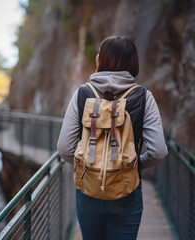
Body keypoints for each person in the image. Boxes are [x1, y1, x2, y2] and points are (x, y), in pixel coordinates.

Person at [57, 36, 168, 240]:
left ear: (101, 60)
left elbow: (64, 148)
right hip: (127, 187)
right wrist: (135, 165)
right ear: (133, 63)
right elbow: (159, 151)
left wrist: (86, 166)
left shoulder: (82, 94)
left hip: (88, 187)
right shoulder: (144, 96)